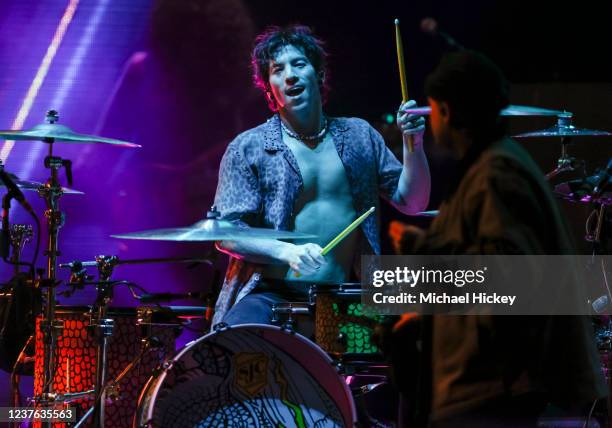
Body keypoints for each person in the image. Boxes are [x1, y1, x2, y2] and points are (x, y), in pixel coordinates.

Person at [391, 50, 607, 427]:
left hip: (498, 387)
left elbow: (510, 282)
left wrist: (418, 262)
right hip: (494, 384)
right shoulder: (494, 164)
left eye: (433, 109)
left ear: (447, 112)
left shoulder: (496, 174)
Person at [211, 25, 431, 328]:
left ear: (320, 75)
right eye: (278, 70)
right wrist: (285, 251)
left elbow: (413, 202)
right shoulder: (248, 147)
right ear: (269, 88)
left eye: (299, 64)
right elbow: (225, 233)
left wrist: (413, 144)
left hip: (347, 296)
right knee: (233, 348)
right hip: (271, 295)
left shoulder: (359, 135)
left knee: (438, 314)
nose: (289, 74)